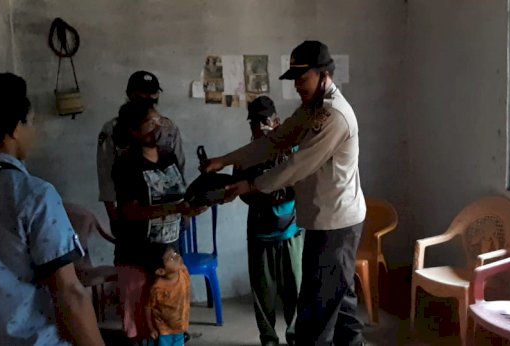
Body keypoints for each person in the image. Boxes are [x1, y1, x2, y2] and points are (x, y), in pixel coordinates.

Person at [202, 40, 367, 345]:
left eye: (302, 79)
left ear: (324, 75)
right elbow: (274, 141)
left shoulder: (333, 117)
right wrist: (226, 160)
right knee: (340, 304)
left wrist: (251, 185)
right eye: (294, 80)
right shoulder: (311, 110)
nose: (297, 87)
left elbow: (295, 165)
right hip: (326, 220)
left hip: (336, 225)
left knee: (315, 314)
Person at [0, 71, 104, 345]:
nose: (34, 131)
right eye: (30, 122)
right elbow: (69, 293)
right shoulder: (32, 194)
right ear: (15, 130)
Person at [112, 101, 204, 344]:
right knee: (146, 327)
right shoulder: (125, 164)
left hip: (171, 252)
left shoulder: (168, 155)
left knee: (172, 321)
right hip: (139, 256)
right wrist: (174, 208)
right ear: (133, 131)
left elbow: (181, 196)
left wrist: (192, 208)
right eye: (149, 124)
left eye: (158, 121)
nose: (157, 128)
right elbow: (131, 212)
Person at [234, 96, 303, 346]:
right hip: (260, 234)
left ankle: (295, 337)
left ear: (276, 121)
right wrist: (265, 195)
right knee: (263, 294)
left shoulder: (292, 149)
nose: (261, 127)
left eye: (266, 121)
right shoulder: (247, 156)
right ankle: (268, 339)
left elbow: (302, 183)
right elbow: (240, 192)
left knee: (295, 290)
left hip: (291, 233)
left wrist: (274, 191)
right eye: (255, 123)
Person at [97, 70, 185, 230]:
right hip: (134, 215)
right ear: (130, 95)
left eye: (153, 93)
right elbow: (105, 174)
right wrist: (113, 214)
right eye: (143, 94)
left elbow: (179, 170)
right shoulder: (112, 130)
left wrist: (182, 211)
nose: (150, 99)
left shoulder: (169, 128)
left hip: (169, 220)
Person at [144, 244, 191, 346]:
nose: (177, 257)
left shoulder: (183, 271)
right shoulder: (158, 288)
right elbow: (148, 308)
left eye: (175, 253)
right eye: (171, 258)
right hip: (164, 331)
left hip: (180, 327)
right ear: (161, 271)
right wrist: (151, 329)